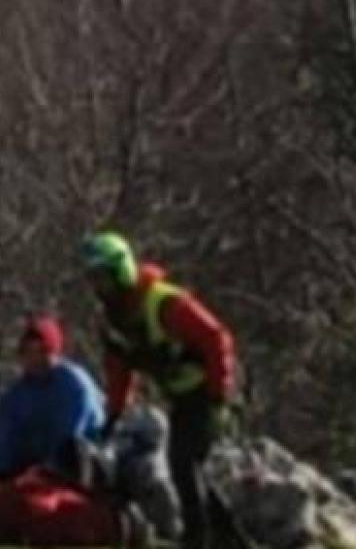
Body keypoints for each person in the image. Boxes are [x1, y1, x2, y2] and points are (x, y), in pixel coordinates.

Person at [80, 232, 237, 549]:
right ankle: (230, 539)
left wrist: (220, 399)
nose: (99, 288)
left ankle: (197, 539)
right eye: (94, 280)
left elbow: (216, 339)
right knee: (190, 467)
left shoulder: (165, 303)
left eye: (104, 278)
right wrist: (113, 414)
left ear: (121, 270)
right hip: (180, 396)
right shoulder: (116, 318)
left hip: (206, 391)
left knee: (183, 463)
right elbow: (120, 368)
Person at [0, 315, 105, 480]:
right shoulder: (18, 394)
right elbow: (5, 433)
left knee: (74, 451)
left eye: (41, 352)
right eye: (29, 352)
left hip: (78, 468)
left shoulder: (74, 385)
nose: (35, 359)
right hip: (32, 470)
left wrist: (46, 468)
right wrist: (0, 473)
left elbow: (70, 435)